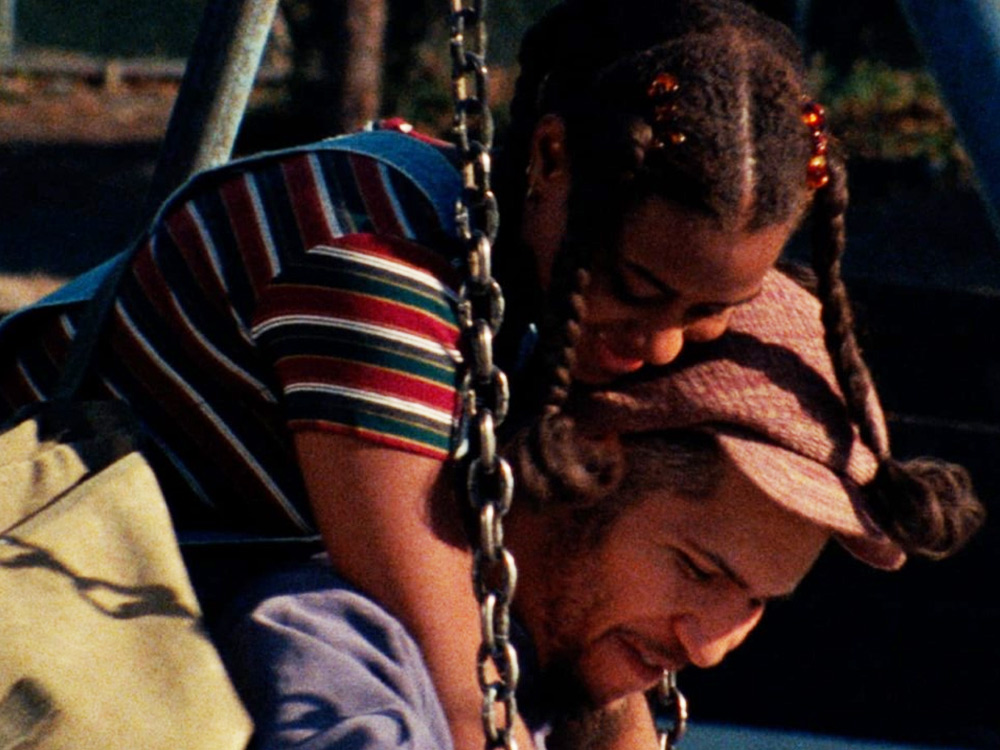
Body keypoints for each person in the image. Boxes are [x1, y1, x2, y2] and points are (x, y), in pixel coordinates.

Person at [0, 0, 969, 747]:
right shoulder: (378, 270)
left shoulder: (520, 272)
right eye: (636, 289)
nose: (662, 343)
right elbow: (472, 686)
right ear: (549, 156)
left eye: (706, 312)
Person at [215, 268, 984, 750]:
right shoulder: (337, 646)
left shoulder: (537, 696)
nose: (709, 645)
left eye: (754, 602)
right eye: (698, 569)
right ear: (584, 470)